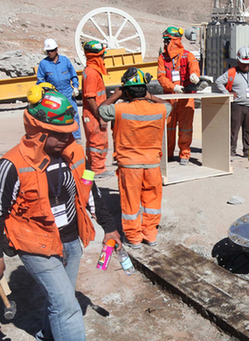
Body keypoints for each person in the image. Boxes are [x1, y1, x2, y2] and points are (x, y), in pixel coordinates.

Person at [0, 85, 122, 341]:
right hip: (35, 245)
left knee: (60, 304)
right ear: (37, 132)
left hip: (71, 240)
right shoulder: (11, 165)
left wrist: (109, 228)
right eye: (60, 134)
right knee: (66, 304)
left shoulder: (74, 152)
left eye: (70, 132)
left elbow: (91, 190)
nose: (68, 139)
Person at [99, 67, 172, 248]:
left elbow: (101, 110)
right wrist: (150, 96)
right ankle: (151, 235)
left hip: (130, 165)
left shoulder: (120, 109)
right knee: (152, 201)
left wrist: (116, 95)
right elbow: (170, 105)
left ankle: (134, 239)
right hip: (152, 164)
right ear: (144, 90)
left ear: (127, 91)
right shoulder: (160, 109)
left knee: (131, 203)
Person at [157, 26, 201, 165]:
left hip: (186, 98)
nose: (165, 44)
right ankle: (168, 154)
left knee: (186, 128)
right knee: (168, 128)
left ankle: (184, 154)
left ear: (174, 41)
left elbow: (193, 65)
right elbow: (161, 77)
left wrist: (194, 75)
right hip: (169, 98)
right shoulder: (162, 58)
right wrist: (173, 87)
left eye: (167, 41)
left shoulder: (187, 55)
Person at [215, 46, 249, 160]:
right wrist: (227, 93)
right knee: (234, 130)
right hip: (236, 106)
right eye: (243, 64)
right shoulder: (232, 72)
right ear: (238, 61)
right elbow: (218, 82)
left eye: (248, 64)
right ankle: (231, 152)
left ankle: (247, 152)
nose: (246, 66)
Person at [37, 38, 82, 142]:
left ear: (57, 50)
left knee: (73, 114)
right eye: (48, 51)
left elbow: (73, 75)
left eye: (52, 50)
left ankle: (76, 137)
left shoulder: (65, 60)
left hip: (68, 93)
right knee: (57, 117)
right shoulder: (43, 64)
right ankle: (62, 139)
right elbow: (40, 81)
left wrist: (75, 87)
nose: (50, 53)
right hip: (55, 95)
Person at [81, 40, 113, 180]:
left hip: (93, 113)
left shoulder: (91, 70)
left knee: (94, 141)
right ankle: (98, 169)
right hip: (94, 114)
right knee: (97, 141)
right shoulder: (92, 73)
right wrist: (100, 116)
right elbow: (90, 98)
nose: (103, 58)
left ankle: (93, 166)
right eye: (101, 55)